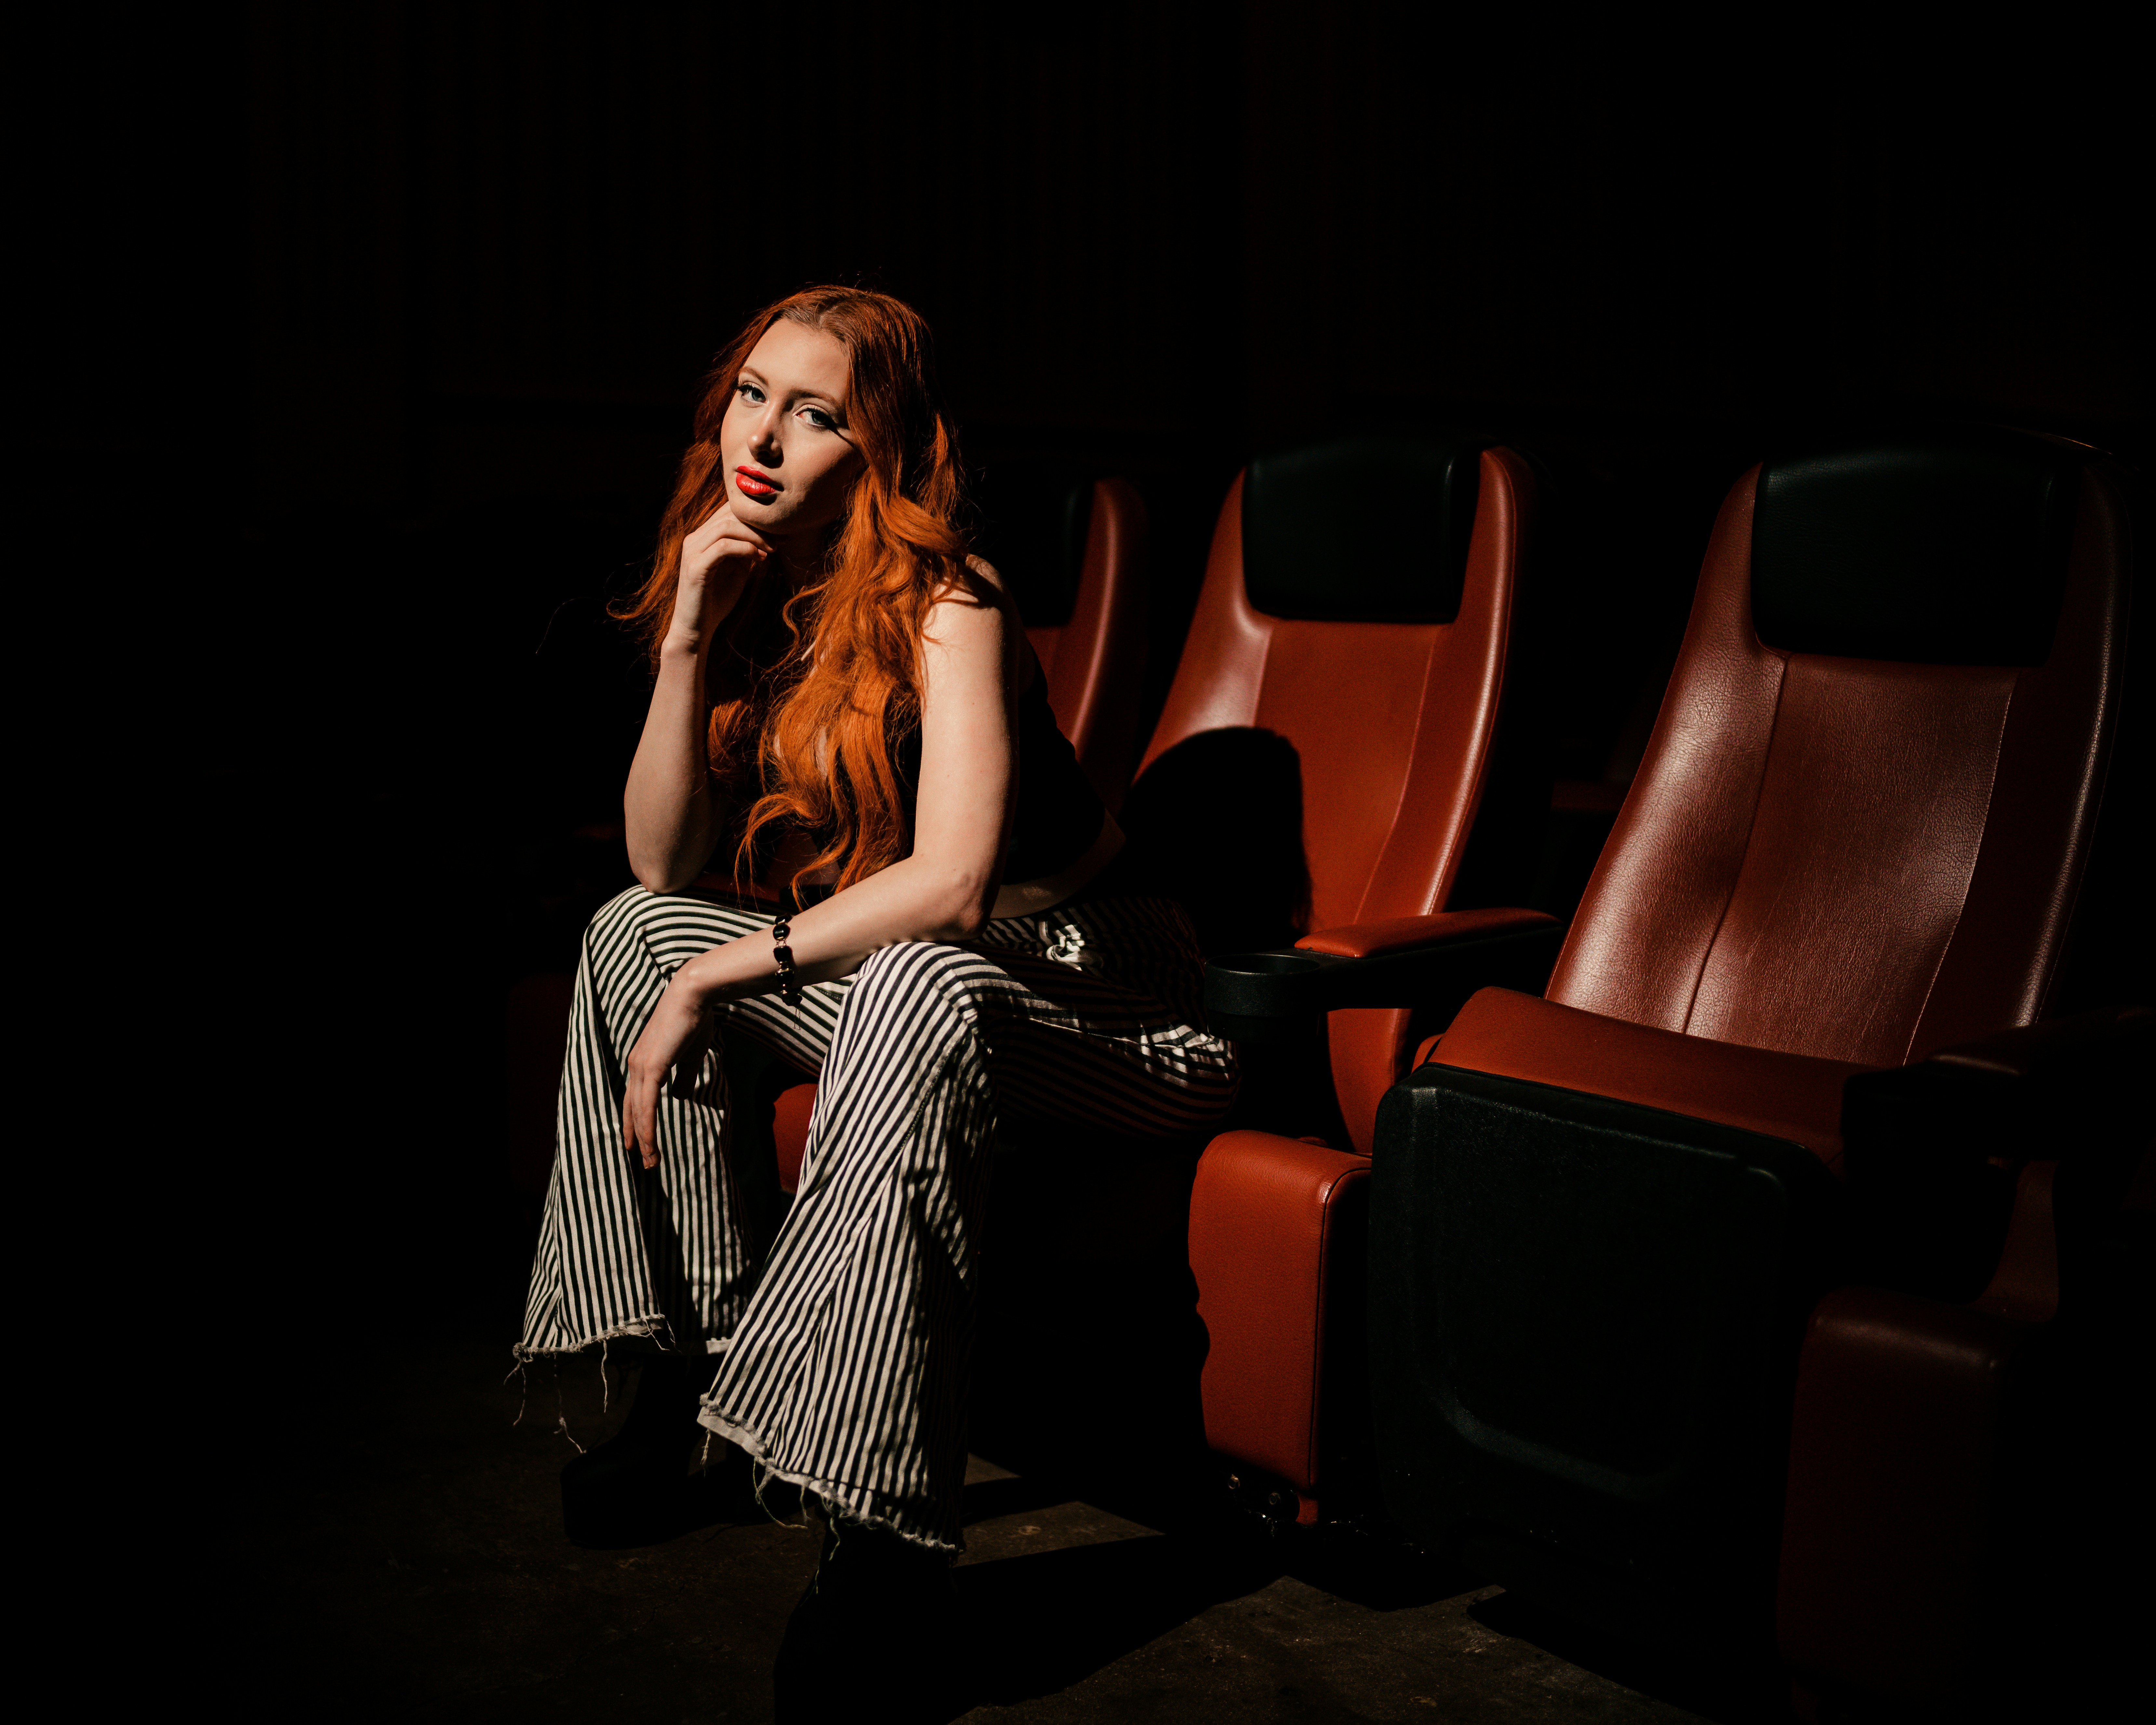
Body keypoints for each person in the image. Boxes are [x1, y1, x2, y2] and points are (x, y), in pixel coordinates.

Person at [513, 286, 1236, 1709]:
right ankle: (690, 1390)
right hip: (924, 997)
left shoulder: (952, 599)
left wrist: (722, 972)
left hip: (1110, 1007)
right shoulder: (748, 584)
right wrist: (683, 639)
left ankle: (881, 1536)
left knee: (890, 969)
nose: (764, 438)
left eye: (817, 412)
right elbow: (662, 869)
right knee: (625, 931)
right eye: (749, 395)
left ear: (883, 447)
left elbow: (956, 886)